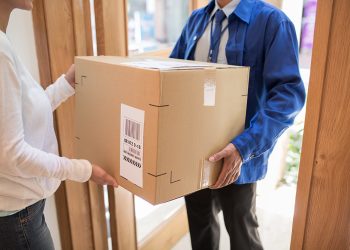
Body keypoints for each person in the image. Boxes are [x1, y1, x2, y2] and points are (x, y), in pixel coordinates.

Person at [170, 0, 306, 249]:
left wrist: (244, 148)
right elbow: (171, 75)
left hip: (238, 153)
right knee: (200, 228)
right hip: (192, 152)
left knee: (243, 233)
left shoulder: (273, 22)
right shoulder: (196, 20)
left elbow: (288, 95)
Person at [0, 0, 118, 249]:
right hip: (17, 221)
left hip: (20, 214)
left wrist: (64, 84)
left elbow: (22, 116)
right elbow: (13, 154)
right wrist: (84, 170)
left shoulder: (3, 42)